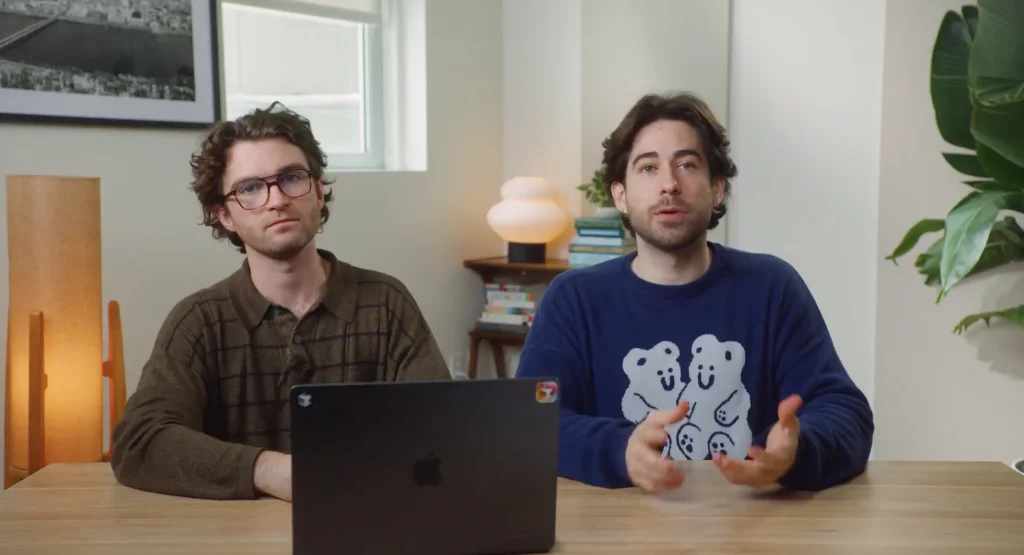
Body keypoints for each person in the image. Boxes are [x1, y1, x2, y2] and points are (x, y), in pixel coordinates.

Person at [516, 92, 873, 493]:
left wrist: (798, 450)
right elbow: (531, 423)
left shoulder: (772, 287)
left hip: (752, 529)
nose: (669, 184)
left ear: (716, 189)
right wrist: (621, 450)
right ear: (621, 195)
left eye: (686, 164)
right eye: (648, 168)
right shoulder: (574, 299)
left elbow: (847, 413)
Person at [110, 103, 451, 501]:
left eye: (291, 178)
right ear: (225, 215)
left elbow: (440, 429)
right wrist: (267, 470)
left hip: (364, 526)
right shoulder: (198, 322)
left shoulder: (386, 303)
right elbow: (140, 443)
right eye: (250, 188)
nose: (276, 200)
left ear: (319, 191)